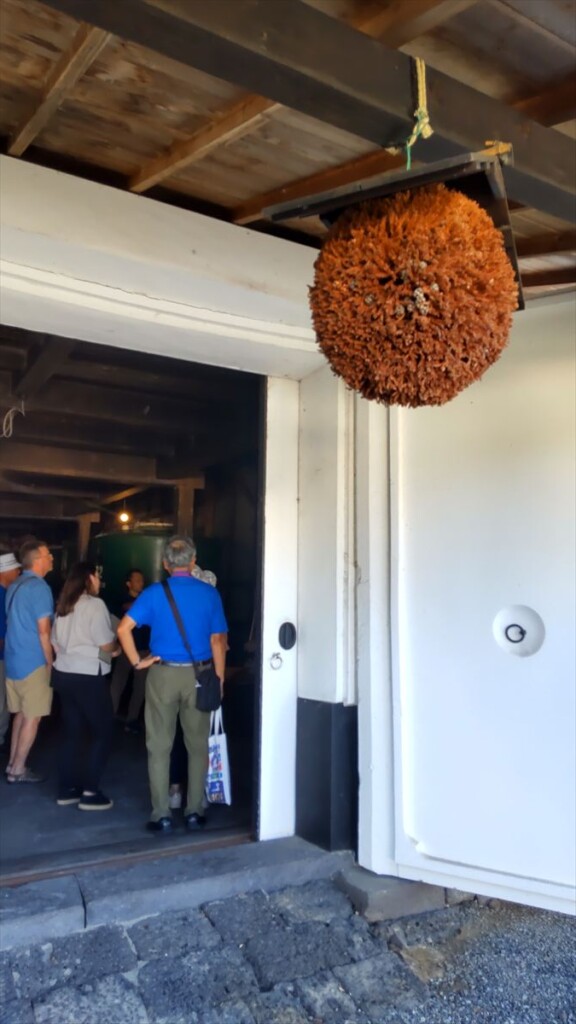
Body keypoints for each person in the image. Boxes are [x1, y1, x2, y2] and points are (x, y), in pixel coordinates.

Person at [118, 535, 228, 834]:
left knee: (159, 746)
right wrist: (219, 679)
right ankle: (194, 811)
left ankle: (162, 814)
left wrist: (136, 662)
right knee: (197, 746)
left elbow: (123, 628)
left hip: (162, 674)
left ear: (165, 564)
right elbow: (218, 640)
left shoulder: (154, 593)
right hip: (199, 675)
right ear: (193, 562)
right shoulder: (209, 594)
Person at [51, 562, 118, 810]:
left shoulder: (63, 605)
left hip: (64, 673)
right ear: (90, 578)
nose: (100, 581)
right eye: (98, 576)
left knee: (72, 732)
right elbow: (105, 643)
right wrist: (117, 648)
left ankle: (67, 789)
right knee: (103, 732)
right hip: (88, 676)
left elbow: (55, 642)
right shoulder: (94, 605)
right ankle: (90, 792)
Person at [169, 562, 219, 811]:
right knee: (200, 739)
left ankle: (175, 791)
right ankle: (198, 796)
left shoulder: (170, 601)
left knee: (176, 737)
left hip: (171, 672)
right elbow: (219, 641)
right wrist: (219, 679)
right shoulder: (210, 604)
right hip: (204, 675)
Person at [4, 539, 54, 784]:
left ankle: (13, 763)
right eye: (48, 555)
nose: (52, 558)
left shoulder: (15, 585)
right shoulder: (39, 588)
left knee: (21, 715)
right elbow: (44, 631)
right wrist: (50, 661)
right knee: (32, 716)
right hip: (33, 661)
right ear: (38, 560)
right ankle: (18, 768)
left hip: (14, 661)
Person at [110, 568, 150, 734]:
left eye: (142, 580)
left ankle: (132, 719)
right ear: (129, 583)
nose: (141, 583)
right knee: (117, 684)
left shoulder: (145, 600)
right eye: (137, 580)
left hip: (144, 650)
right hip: (126, 650)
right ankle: (109, 716)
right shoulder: (122, 601)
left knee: (140, 688)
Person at [0, 552, 22, 751]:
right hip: (2, 657)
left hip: (6, 656)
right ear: (4, 572)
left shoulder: (8, 593)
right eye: (15, 569)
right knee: (1, 703)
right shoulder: (1, 595)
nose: (18, 571)